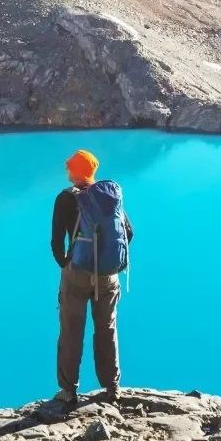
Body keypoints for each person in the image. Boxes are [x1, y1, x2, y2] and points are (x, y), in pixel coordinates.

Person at [51, 149, 133, 405]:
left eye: (69, 166)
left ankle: (69, 391)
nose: (66, 169)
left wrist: (66, 263)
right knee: (107, 329)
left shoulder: (66, 199)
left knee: (71, 332)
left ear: (77, 171)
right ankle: (112, 387)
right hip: (109, 276)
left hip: (77, 275)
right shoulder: (108, 197)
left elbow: (56, 242)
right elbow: (129, 233)